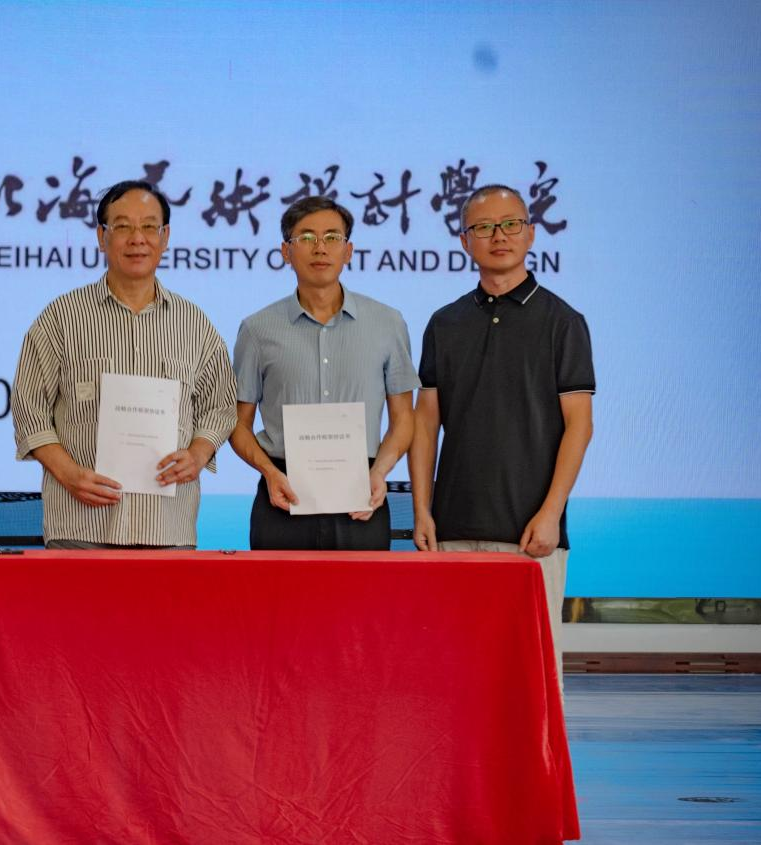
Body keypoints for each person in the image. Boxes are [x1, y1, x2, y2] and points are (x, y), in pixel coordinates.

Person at [410, 183, 595, 689]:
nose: (499, 236)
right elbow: (425, 423)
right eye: (484, 227)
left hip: (529, 533)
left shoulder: (563, 322)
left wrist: (551, 513)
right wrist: (422, 511)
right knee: (454, 674)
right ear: (464, 240)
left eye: (511, 224)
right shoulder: (445, 323)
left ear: (530, 234)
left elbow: (580, 425)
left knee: (531, 676)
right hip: (452, 530)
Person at [11, 180, 237, 549]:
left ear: (165, 237)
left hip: (168, 529)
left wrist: (198, 454)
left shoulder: (195, 324)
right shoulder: (61, 318)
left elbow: (220, 407)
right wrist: (69, 475)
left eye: (149, 226)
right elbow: (29, 411)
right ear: (102, 236)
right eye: (122, 226)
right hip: (80, 528)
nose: (137, 239)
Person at [230, 196, 419, 549]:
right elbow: (237, 425)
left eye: (332, 237)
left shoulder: (388, 323)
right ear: (286, 252)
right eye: (306, 237)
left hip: (361, 495)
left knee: (361, 589)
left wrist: (380, 472)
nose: (320, 247)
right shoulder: (257, 329)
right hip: (282, 496)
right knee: (278, 589)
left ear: (348, 251)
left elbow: (404, 419)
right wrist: (269, 472)